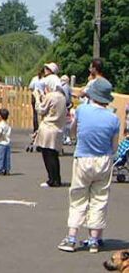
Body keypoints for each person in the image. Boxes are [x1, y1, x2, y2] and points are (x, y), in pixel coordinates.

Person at [57, 77, 119, 253]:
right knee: (100, 199)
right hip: (104, 160)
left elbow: (73, 130)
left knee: (78, 196)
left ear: (92, 95)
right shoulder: (113, 118)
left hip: (84, 158)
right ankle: (94, 239)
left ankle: (71, 237)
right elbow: (114, 146)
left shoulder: (82, 110)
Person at [34, 69, 66, 188]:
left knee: (47, 155)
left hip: (48, 128)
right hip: (58, 128)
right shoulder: (62, 96)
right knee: (54, 155)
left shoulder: (51, 96)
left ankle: (51, 179)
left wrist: (38, 98)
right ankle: (56, 178)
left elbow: (41, 110)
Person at [29, 68, 46, 133]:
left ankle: (35, 128)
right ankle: (42, 127)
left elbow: (30, 87)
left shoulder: (35, 78)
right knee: (43, 112)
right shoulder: (45, 80)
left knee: (35, 113)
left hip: (34, 95)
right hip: (42, 96)